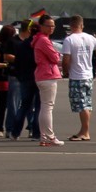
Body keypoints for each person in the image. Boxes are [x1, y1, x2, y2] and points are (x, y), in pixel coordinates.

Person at [61, 15, 96, 141]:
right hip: (88, 75)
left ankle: (85, 132)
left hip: (77, 75)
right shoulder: (89, 37)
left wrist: (65, 72)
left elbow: (66, 59)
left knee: (82, 105)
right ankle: (83, 130)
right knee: (87, 103)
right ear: (82, 25)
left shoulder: (69, 40)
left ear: (71, 26)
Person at [33, 15, 65, 147]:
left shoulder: (40, 39)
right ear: (41, 26)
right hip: (47, 75)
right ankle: (49, 136)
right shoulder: (43, 40)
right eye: (48, 26)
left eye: (53, 26)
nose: (51, 28)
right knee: (47, 107)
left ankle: (44, 136)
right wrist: (58, 55)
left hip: (43, 75)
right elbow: (55, 58)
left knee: (45, 107)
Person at [9, 21, 40, 141]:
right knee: (39, 107)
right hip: (38, 77)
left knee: (24, 105)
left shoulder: (22, 45)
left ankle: (15, 132)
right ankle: (36, 133)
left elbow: (17, 62)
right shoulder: (39, 43)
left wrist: (20, 76)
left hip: (25, 78)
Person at [0, 24, 17, 138]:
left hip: (12, 76)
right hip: (1, 77)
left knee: (13, 103)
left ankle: (12, 127)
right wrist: (6, 65)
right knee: (2, 103)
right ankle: (0, 128)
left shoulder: (12, 45)